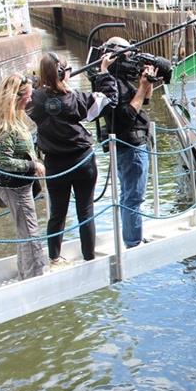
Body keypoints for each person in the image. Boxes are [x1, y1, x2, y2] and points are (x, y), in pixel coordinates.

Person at [27, 51, 117, 266]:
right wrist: (104, 71)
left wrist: (43, 83)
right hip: (82, 162)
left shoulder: (35, 101)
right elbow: (109, 99)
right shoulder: (76, 98)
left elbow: (25, 96)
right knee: (85, 211)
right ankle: (89, 257)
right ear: (62, 73)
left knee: (57, 213)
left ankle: (54, 258)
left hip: (55, 165)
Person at [97, 36, 156, 248]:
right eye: (129, 54)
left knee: (129, 195)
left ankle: (132, 235)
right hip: (131, 147)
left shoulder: (116, 81)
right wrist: (141, 87)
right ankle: (133, 242)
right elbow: (127, 115)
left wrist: (146, 83)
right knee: (133, 198)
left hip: (130, 145)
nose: (132, 58)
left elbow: (144, 102)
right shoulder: (112, 84)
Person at [0, 74, 48, 279]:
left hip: (21, 185)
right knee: (30, 232)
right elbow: (4, 163)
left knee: (25, 230)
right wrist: (33, 165)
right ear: (16, 97)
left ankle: (27, 273)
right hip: (15, 187)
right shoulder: (6, 128)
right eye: (28, 96)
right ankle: (35, 276)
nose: (30, 100)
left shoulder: (15, 121)